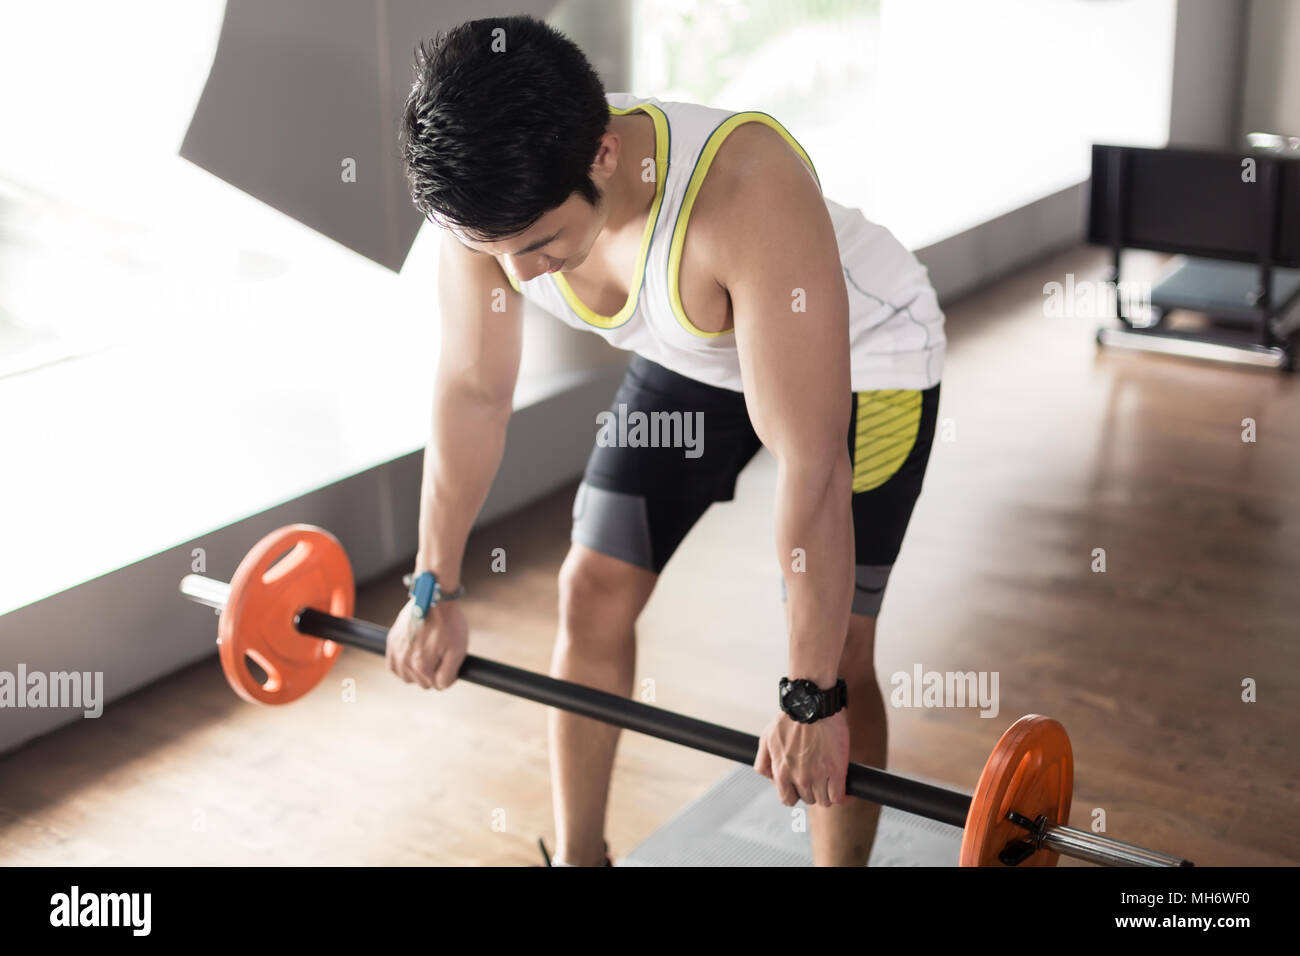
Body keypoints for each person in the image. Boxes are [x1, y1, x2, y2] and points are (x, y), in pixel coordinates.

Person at [387, 14, 945, 867]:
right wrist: (435, 586)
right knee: (592, 590)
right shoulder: (487, 197)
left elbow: (813, 465)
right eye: (499, 255)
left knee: (841, 651)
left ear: (603, 155)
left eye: (540, 246)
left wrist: (807, 697)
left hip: (867, 362)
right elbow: (472, 389)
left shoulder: (744, 191)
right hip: (693, 350)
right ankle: (580, 859)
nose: (525, 276)